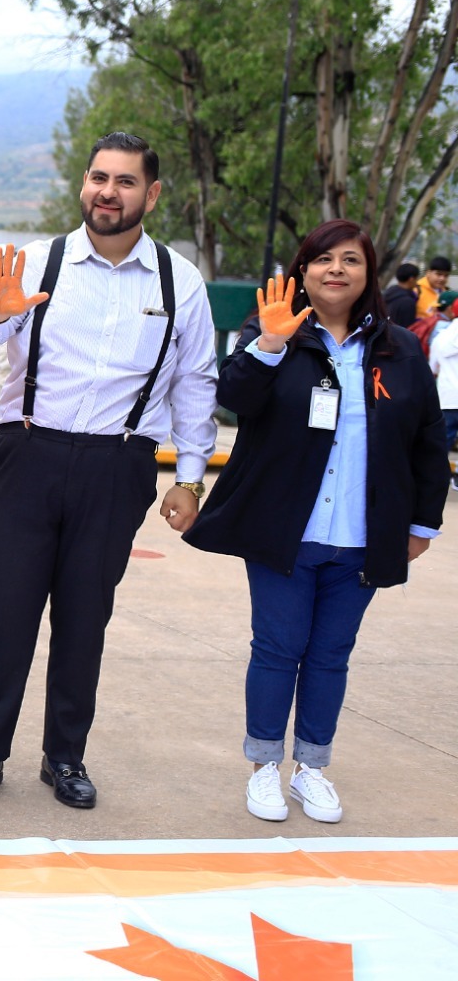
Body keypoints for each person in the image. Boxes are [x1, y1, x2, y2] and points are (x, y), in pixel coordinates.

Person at [0, 132, 218, 809]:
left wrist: (188, 477)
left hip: (118, 464)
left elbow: (195, 383)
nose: (108, 192)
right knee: (4, 612)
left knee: (84, 617)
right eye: (99, 177)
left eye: (125, 182)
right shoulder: (39, 261)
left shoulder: (179, 282)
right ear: (82, 185)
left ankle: (64, 757)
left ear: (150, 195)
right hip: (28, 452)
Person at [182, 221, 446, 823]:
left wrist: (421, 525)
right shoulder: (275, 333)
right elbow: (233, 399)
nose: (336, 269)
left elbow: (427, 441)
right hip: (286, 533)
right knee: (278, 648)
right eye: (322, 259)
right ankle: (264, 767)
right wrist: (269, 345)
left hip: (361, 536)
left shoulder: (399, 349)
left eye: (350, 260)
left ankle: (312, 769)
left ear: (367, 274)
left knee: (331, 654)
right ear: (301, 272)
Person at [431, 291, 458, 459]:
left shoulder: (440, 338)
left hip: (447, 398)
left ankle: (439, 481)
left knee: (441, 446)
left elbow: (432, 369)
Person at [383, 262, 420, 328]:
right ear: (411, 279)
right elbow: (407, 328)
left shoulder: (389, 292)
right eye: (416, 278)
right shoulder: (408, 302)